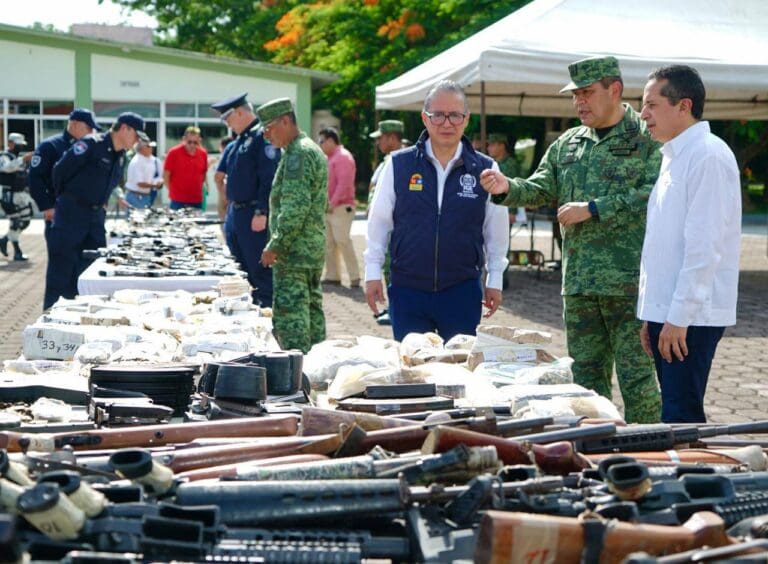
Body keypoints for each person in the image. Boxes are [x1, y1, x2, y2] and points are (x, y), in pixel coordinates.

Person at [479, 56, 662, 424]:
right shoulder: (568, 143)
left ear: (615, 90)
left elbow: (656, 194)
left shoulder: (647, 138)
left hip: (630, 286)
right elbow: (539, 187)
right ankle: (596, 451)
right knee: (585, 383)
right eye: (575, 95)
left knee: (638, 381)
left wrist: (595, 208)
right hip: (579, 285)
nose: (579, 102)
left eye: (587, 93)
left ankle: (649, 453)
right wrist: (506, 188)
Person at [364, 80, 509, 342]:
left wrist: (495, 278)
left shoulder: (486, 169)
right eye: (438, 115)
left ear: (466, 119)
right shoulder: (399, 164)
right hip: (408, 289)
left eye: (455, 115)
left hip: (461, 290)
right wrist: (372, 272)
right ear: (424, 118)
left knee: (459, 371)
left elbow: (495, 231)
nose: (446, 123)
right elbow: (379, 223)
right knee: (413, 373)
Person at [637, 65, 741, 423]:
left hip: (689, 318)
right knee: (674, 411)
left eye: (651, 104)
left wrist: (677, 318)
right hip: (668, 314)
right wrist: (652, 314)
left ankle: (693, 477)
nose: (643, 113)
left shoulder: (708, 155)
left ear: (684, 105)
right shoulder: (673, 156)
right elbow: (663, 245)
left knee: (681, 417)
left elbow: (704, 248)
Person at [44, 112, 146, 309]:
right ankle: (51, 316)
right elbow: (59, 172)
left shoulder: (121, 156)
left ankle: (82, 313)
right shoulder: (91, 144)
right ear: (124, 128)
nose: (137, 142)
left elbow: (110, 183)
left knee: (91, 269)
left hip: (96, 217)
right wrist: (65, 202)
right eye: (136, 136)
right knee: (62, 270)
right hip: (72, 214)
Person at [257, 97, 327, 353]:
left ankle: (294, 374)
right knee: (311, 310)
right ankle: (316, 365)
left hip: (295, 252)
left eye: (268, 129)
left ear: (285, 121)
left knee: (291, 318)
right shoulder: (306, 149)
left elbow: (295, 207)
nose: (266, 136)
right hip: (308, 249)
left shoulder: (299, 154)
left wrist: (276, 244)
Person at [210, 93, 280, 307]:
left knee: (260, 274)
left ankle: (268, 317)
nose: (227, 124)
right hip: (237, 214)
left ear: (240, 113)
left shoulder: (262, 137)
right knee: (240, 272)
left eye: (228, 118)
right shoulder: (238, 141)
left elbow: (269, 178)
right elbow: (222, 176)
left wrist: (262, 212)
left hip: (253, 215)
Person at [367, 119, 407, 325]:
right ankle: (393, 308)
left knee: (394, 270)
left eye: (381, 138)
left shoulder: (402, 162)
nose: (378, 142)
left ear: (392, 137)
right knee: (387, 269)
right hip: (386, 228)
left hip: (395, 229)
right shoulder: (387, 161)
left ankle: (397, 310)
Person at [317, 126, 360, 288]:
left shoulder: (343, 157)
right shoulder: (330, 158)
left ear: (330, 140)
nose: (320, 145)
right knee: (328, 243)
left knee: (342, 241)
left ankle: (355, 277)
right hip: (329, 208)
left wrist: (331, 203)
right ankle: (332, 276)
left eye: (321, 141)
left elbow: (344, 184)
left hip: (341, 207)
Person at [0, 133, 34, 261]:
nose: (19, 147)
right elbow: (7, 168)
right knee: (15, 222)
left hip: (21, 194)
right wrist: (24, 159)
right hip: (8, 194)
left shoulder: (18, 158)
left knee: (25, 220)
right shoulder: (4, 156)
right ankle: (17, 252)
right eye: (18, 145)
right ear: (11, 144)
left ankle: (4, 239)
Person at [163, 125, 207, 210]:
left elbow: (203, 175)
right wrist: (174, 191)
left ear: (199, 141)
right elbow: (166, 176)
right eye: (189, 142)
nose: (192, 145)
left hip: (196, 200)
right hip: (178, 201)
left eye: (195, 142)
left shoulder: (203, 154)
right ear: (184, 139)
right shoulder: (173, 153)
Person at [124, 137, 162, 209]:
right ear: (141, 148)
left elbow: (160, 176)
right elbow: (140, 183)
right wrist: (155, 185)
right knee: (136, 219)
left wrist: (159, 183)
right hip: (135, 197)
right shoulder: (136, 161)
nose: (151, 148)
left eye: (151, 146)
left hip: (148, 196)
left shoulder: (154, 160)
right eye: (148, 146)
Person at [213, 135, 235, 222]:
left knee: (224, 214)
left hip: (225, 189)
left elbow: (218, 177)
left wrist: (221, 192)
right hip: (229, 190)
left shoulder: (225, 158)